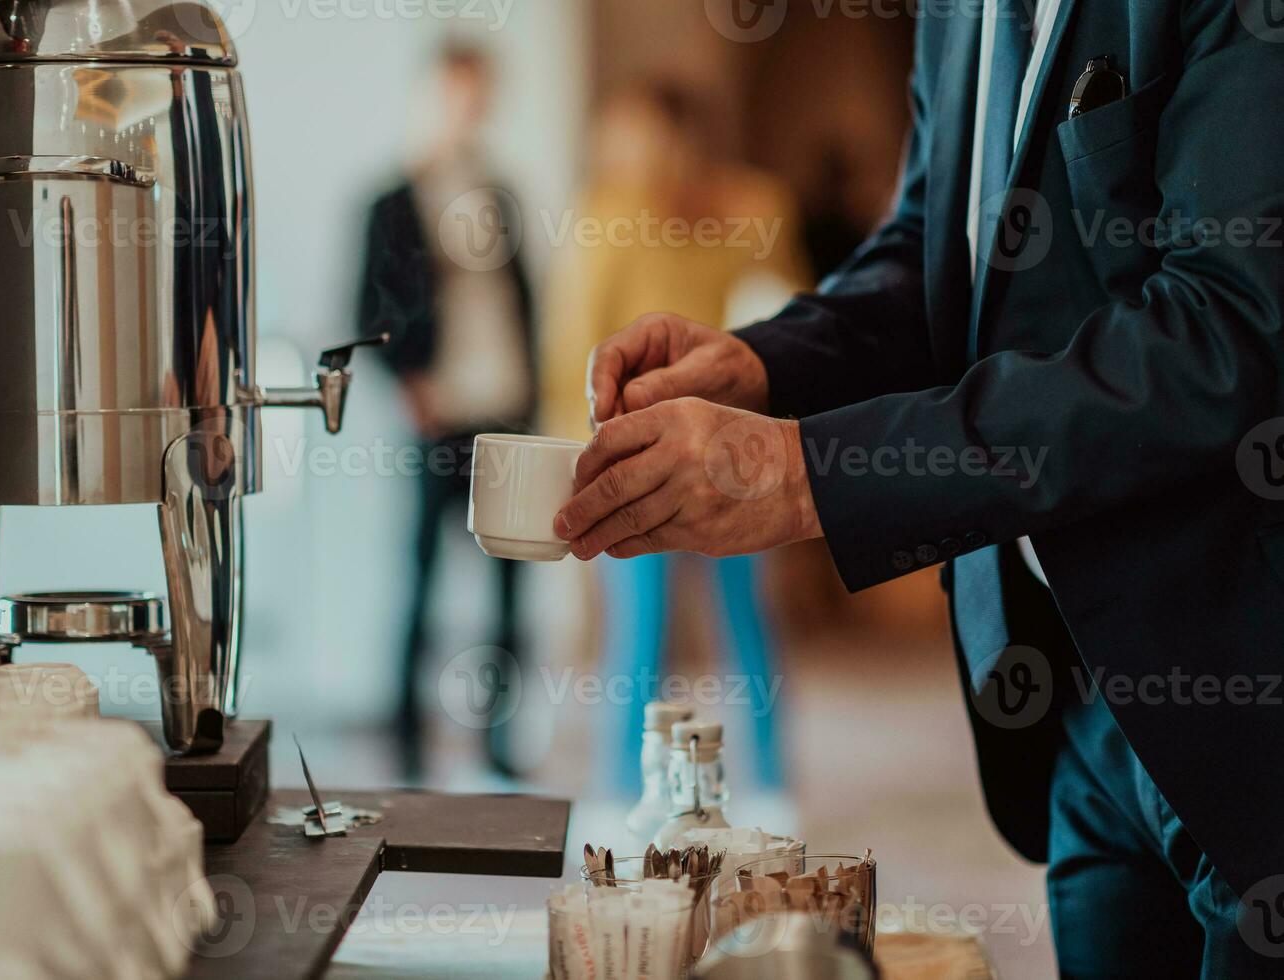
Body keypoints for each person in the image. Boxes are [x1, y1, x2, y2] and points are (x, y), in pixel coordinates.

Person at [552, 2, 1284, 975]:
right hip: (1070, 698)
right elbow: (932, 259)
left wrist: (813, 470)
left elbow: (1218, 334)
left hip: (1240, 683)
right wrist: (762, 364)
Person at [540, 81, 811, 790]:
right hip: (629, 459)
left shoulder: (748, 206)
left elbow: (804, 311)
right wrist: (577, 468)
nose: (643, 155)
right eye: (626, 140)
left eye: (655, 138)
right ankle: (623, 792)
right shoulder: (605, 217)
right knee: (638, 638)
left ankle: (774, 787)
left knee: (749, 624)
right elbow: (574, 344)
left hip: (730, 450)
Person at [358, 43, 536, 780]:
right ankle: (407, 738)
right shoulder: (392, 204)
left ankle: (497, 737)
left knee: (508, 588)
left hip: (506, 409)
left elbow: (524, 304)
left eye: (477, 97)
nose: (466, 111)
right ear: (430, 96)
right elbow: (367, 313)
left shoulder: (501, 195)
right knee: (421, 580)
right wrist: (411, 384)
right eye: (454, 96)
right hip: (438, 415)